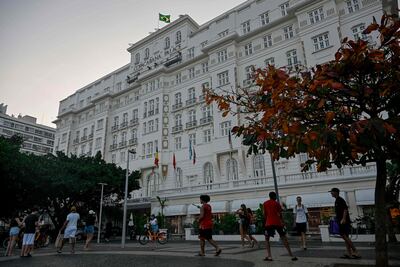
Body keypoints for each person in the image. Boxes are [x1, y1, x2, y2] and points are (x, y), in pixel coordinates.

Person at [263, 192, 297, 261]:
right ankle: (291, 255)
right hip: (277, 223)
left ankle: (269, 256)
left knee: (267, 239)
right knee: (284, 238)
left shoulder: (265, 203)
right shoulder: (277, 204)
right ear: (274, 197)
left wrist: (266, 221)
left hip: (269, 223)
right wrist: (283, 223)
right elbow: (280, 214)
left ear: (269, 196)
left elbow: (264, 214)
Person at [330, 188, 361, 259]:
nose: (331, 193)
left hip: (343, 222)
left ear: (336, 192)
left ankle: (355, 251)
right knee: (346, 237)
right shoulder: (337, 200)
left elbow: (345, 209)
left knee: (343, 235)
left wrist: (343, 219)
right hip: (341, 220)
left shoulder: (340, 200)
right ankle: (349, 253)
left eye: (332, 192)